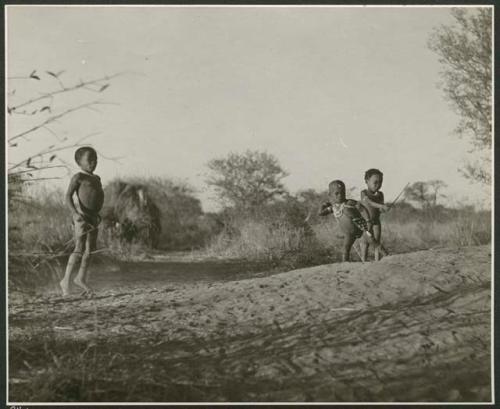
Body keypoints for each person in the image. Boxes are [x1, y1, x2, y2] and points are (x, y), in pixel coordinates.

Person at [60, 146, 104, 297]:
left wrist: (98, 214)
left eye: (95, 160)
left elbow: (97, 198)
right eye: (90, 160)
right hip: (81, 217)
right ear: (79, 162)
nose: (94, 162)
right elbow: (68, 197)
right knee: (79, 248)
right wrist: (75, 214)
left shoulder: (97, 179)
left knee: (89, 250)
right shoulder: (79, 177)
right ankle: (65, 281)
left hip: (93, 217)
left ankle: (80, 278)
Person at [319, 179, 387, 262]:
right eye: (336, 193)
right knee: (345, 248)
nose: (340, 195)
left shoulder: (350, 203)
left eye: (342, 193)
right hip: (349, 234)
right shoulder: (333, 207)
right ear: (330, 195)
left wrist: (368, 221)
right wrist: (325, 203)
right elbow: (321, 213)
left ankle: (388, 257)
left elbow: (362, 209)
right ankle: (345, 265)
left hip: (361, 228)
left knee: (373, 242)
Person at [360, 169, 389, 261]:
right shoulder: (364, 193)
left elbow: (380, 209)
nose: (378, 185)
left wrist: (383, 209)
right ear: (366, 181)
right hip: (366, 222)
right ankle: (363, 262)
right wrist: (381, 206)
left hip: (376, 221)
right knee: (365, 242)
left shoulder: (381, 194)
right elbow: (369, 202)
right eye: (375, 182)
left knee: (377, 241)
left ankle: (378, 262)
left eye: (380, 182)